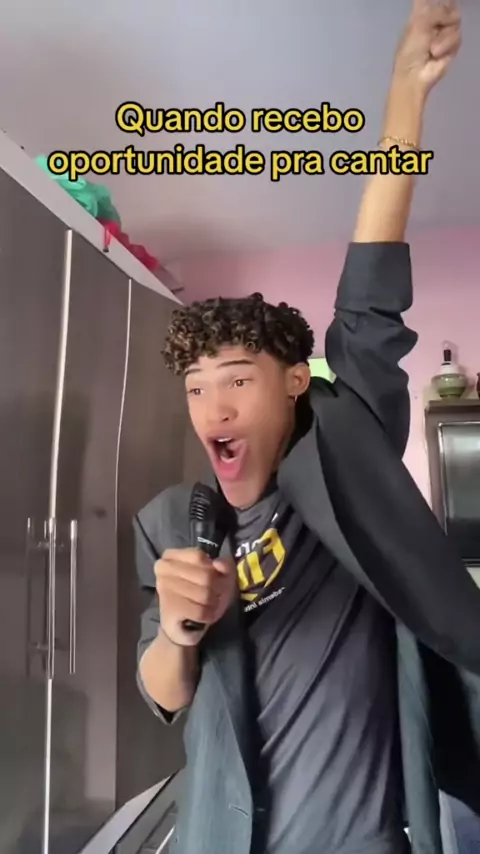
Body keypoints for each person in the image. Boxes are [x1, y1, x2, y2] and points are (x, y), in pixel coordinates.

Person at [134, 2, 480, 853]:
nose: (213, 408)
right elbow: (164, 692)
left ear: (298, 382)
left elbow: (368, 299)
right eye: (196, 387)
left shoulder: (342, 460)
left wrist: (405, 96)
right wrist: (179, 631)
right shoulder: (173, 522)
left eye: (237, 380)